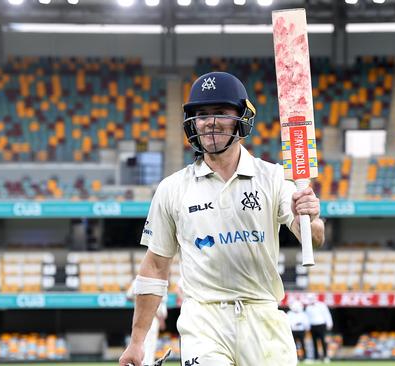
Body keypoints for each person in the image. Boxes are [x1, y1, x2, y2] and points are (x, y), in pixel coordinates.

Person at [119, 71, 325, 366]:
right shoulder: (172, 188)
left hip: (263, 316)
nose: (209, 122)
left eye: (220, 113)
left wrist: (311, 218)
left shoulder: (274, 177)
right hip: (203, 319)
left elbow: (314, 238)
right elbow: (154, 266)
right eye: (202, 114)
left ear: (241, 118)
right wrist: (137, 342)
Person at [126, 281, 168, 365]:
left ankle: (142, 363)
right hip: (151, 317)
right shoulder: (143, 281)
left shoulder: (137, 281)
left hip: (144, 317)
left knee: (144, 342)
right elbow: (128, 297)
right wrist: (161, 320)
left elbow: (129, 296)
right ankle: (145, 363)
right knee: (148, 343)